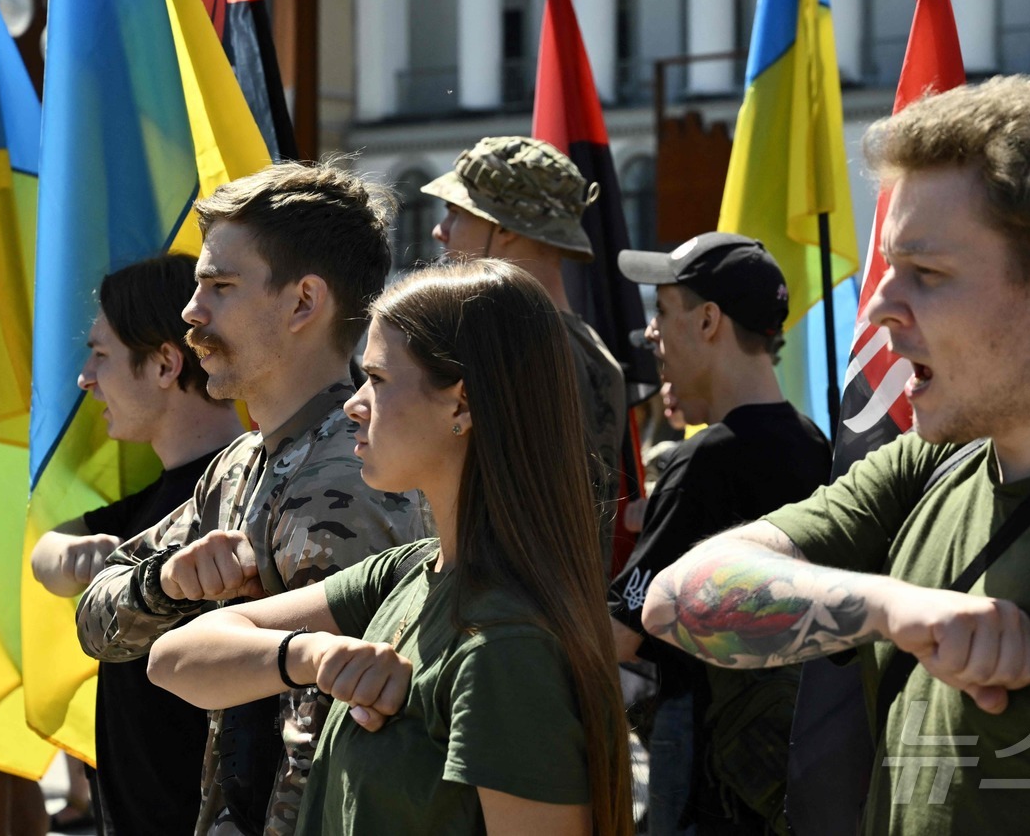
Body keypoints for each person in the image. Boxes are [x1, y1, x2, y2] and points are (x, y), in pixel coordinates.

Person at [638, 76, 1030, 835]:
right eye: (887, 270)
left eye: (927, 274)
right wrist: (896, 607)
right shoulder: (925, 469)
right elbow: (678, 599)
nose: (879, 308)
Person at [147, 259, 633, 836]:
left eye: (376, 380)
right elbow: (174, 658)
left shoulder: (506, 647)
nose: (354, 403)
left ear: (461, 405)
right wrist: (317, 658)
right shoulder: (411, 573)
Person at [75, 161, 428, 836]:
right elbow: (98, 621)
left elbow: (324, 744)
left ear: (302, 302)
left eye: (221, 286)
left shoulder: (358, 476)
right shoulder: (240, 462)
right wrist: (169, 581)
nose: (191, 312)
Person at [608, 233, 832, 834]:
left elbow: (618, 637)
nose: (652, 334)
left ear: (708, 320)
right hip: (799, 754)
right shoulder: (816, 446)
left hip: (710, 766)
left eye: (662, 311)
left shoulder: (704, 461)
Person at [31, 255, 245, 835]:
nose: (85, 377)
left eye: (101, 355)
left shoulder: (253, 495)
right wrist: (71, 558)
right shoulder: (158, 497)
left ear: (165, 364)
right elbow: (45, 554)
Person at [426, 136, 627, 559]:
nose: (440, 231)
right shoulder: (598, 358)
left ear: (502, 227)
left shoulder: (513, 350)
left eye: (456, 212)